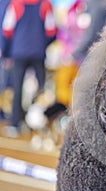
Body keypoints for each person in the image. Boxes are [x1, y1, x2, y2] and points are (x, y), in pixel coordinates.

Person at [1, 0, 56, 137]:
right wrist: (42, 45)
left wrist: (7, 53)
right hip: (38, 53)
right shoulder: (45, 5)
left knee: (17, 90)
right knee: (41, 90)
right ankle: (41, 126)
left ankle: (16, 124)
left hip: (19, 52)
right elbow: (51, 31)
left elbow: (7, 30)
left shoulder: (16, 4)